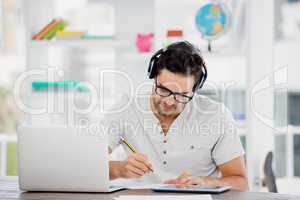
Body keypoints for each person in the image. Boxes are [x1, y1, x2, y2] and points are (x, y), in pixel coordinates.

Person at [105, 41, 248, 191]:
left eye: (181, 95)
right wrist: (119, 169)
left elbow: (241, 183)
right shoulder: (127, 107)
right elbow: (86, 167)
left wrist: (205, 182)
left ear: (195, 89)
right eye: (164, 90)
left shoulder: (217, 115)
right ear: (154, 77)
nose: (169, 101)